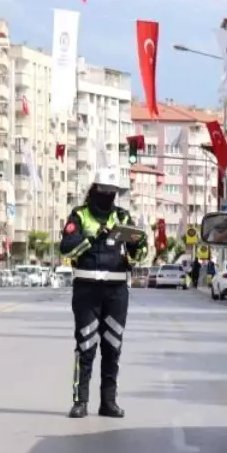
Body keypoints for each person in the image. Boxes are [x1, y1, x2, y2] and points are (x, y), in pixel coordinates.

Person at [59, 167, 148, 419]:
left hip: (117, 291)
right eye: (105, 191)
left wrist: (136, 242)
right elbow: (66, 249)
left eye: (113, 192)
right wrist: (92, 238)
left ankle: (108, 402)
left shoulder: (122, 216)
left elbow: (140, 256)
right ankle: (80, 401)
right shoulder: (79, 215)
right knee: (85, 346)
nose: (109, 196)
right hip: (87, 290)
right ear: (95, 190)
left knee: (112, 347)